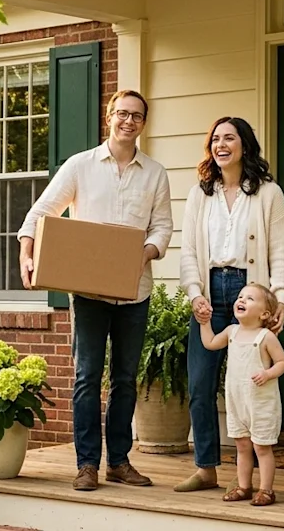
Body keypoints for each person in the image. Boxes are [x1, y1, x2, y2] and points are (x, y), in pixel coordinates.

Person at [17, 89, 173, 492]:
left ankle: (119, 462)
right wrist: (26, 254)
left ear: (144, 122)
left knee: (124, 378)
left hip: (134, 292)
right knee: (87, 376)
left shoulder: (154, 173)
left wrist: (142, 255)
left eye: (137, 116)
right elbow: (41, 212)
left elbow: (162, 227)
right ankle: (87, 464)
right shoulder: (80, 166)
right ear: (109, 116)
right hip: (87, 294)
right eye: (122, 113)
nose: (128, 121)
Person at [176, 116, 284, 493]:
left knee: (252, 386)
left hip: (250, 293)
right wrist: (195, 294)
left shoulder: (268, 193)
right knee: (200, 383)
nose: (221, 144)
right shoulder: (200, 194)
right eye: (215, 139)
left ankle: (259, 480)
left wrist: (281, 299)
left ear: (244, 144)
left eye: (229, 138)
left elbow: (281, 252)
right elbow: (189, 252)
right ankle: (206, 467)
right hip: (210, 295)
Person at [195, 282, 284, 506]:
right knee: (242, 446)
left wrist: (267, 374)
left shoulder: (265, 337)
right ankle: (244, 487)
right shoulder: (231, 332)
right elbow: (209, 343)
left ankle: (266, 490)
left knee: (262, 447)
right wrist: (205, 322)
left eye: (250, 298)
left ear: (265, 313)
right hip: (237, 401)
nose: (242, 300)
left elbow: (282, 362)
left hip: (260, 403)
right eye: (241, 296)